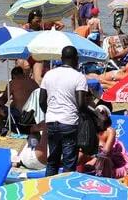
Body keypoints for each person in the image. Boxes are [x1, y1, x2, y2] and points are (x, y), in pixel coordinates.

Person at [39, 45, 89, 176]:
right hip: (69, 122)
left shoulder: (49, 74)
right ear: (76, 59)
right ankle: (65, 192)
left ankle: (48, 190)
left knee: (53, 160)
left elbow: (41, 101)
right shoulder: (79, 77)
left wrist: (50, 112)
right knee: (69, 161)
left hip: (51, 121)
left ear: (61, 58)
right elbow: (81, 104)